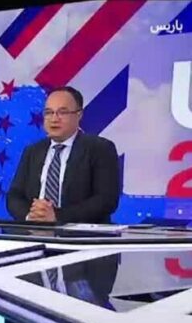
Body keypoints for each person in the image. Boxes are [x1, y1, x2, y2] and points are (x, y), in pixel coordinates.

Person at [7, 86, 120, 223]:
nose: (54, 119)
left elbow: (106, 200)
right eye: (49, 112)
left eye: (62, 112)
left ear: (79, 115)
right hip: (35, 228)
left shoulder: (100, 148)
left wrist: (57, 216)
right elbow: (14, 196)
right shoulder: (32, 151)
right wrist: (31, 216)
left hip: (80, 233)